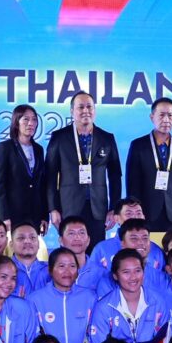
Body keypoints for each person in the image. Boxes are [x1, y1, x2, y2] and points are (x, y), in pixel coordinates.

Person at [46, 91, 122, 249]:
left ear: (95, 110)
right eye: (80, 107)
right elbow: (50, 176)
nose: (85, 111)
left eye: (89, 107)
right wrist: (53, 208)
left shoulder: (107, 138)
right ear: (72, 111)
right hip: (69, 207)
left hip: (98, 208)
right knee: (70, 253)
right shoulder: (59, 137)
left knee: (96, 251)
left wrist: (114, 208)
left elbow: (115, 176)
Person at [86, 249, 172, 343]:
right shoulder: (104, 307)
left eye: (138, 271)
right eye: (126, 272)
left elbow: (165, 341)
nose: (133, 277)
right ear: (115, 275)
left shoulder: (158, 302)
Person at [125, 98, 172, 232]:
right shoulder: (138, 145)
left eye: (170, 115)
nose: (166, 120)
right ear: (152, 117)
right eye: (161, 115)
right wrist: (135, 212)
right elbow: (132, 182)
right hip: (147, 211)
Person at [27, 248, 95, 343]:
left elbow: (93, 337)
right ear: (50, 270)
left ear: (78, 270)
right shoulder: (35, 300)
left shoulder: (90, 297)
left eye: (72, 266)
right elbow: (32, 341)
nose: (67, 271)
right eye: (61, 266)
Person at [0, 104, 48, 234]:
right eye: (26, 119)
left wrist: (44, 216)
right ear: (16, 122)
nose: (31, 123)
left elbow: (42, 185)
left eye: (34, 119)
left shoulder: (39, 149)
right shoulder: (5, 147)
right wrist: (4, 216)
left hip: (34, 213)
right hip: (13, 214)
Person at [96, 218, 167, 297]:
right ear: (123, 244)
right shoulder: (108, 281)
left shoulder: (161, 278)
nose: (141, 242)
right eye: (134, 238)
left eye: (145, 238)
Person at [10, 222, 48, 297]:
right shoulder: (2, 270)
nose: (27, 241)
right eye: (21, 238)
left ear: (39, 244)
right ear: (11, 245)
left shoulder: (50, 270)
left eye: (32, 238)